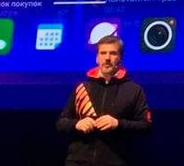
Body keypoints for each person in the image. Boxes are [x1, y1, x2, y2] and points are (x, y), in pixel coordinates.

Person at [56, 34, 152, 165]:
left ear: (120, 58)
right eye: (103, 53)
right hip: (78, 161)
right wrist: (76, 124)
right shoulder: (82, 88)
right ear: (97, 58)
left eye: (113, 53)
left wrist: (118, 124)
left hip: (115, 161)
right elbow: (61, 123)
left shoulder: (134, 90)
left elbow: (146, 126)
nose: (107, 58)